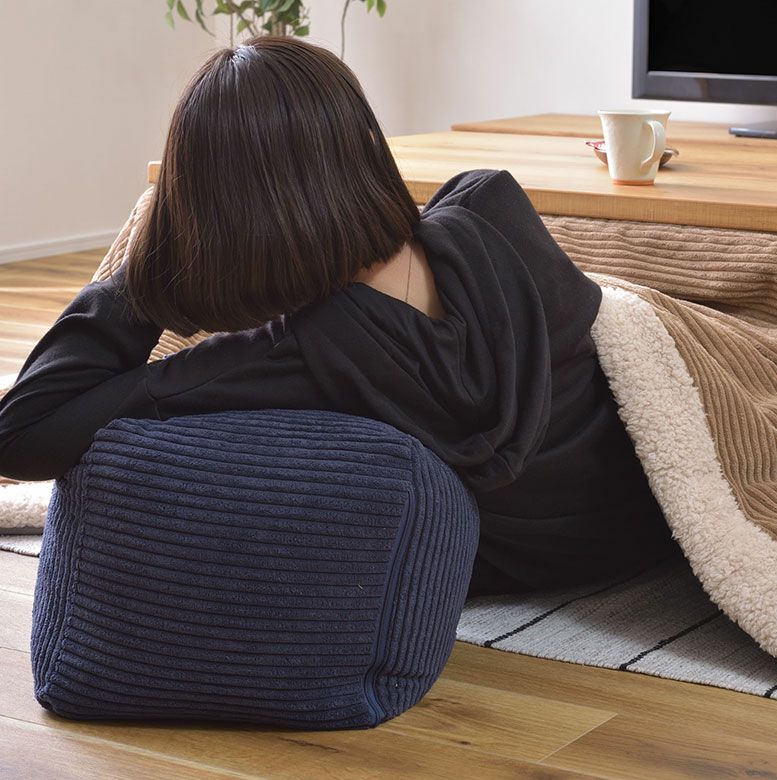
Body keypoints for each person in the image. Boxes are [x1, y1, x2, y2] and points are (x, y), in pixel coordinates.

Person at [0, 36, 681, 598]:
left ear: (213, 210)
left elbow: (23, 432)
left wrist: (148, 262)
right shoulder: (491, 208)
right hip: (643, 525)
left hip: (524, 567)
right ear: (361, 144)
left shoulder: (289, 357)